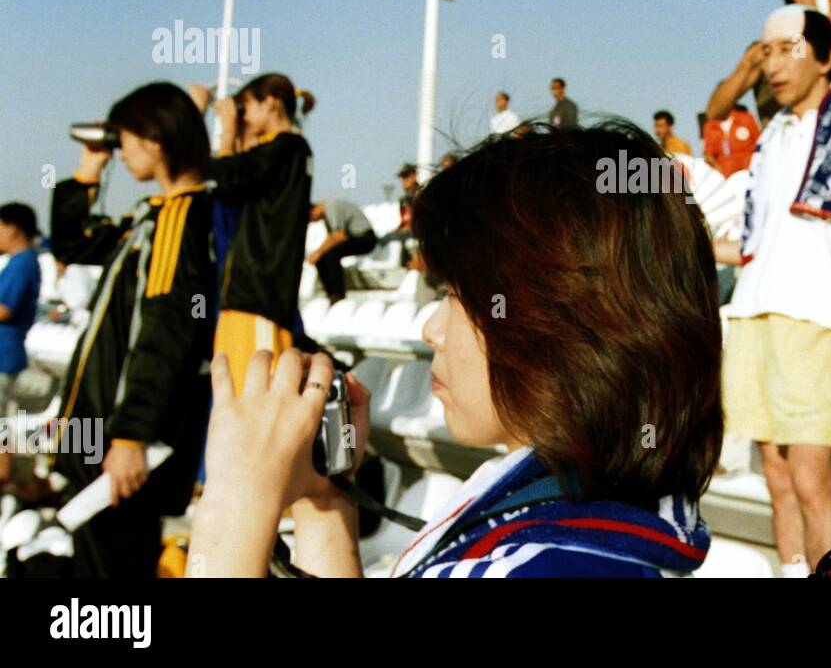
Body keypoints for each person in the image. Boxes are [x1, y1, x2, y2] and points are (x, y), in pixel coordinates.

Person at [188, 122, 723, 578]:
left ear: (552, 324)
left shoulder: (546, 568)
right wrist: (327, 502)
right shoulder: (583, 533)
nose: (431, 328)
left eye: (455, 296)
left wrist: (234, 508)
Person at [714, 5, 831, 574]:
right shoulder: (772, 137)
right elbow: (754, 243)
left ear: (824, 57)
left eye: (788, 48)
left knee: (811, 476)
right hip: (753, 313)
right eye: (766, 50)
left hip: (819, 320)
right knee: (776, 477)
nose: (773, 62)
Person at [48, 83, 215, 577]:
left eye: (124, 140)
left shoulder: (181, 218)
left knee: (112, 575)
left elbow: (165, 330)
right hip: (101, 430)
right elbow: (74, 245)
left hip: (119, 439)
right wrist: (88, 169)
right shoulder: (155, 216)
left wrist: (131, 436)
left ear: (155, 140)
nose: (118, 152)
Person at [190, 73, 314, 395]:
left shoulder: (288, 147)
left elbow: (227, 177)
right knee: (233, 393)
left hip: (258, 298)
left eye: (246, 107)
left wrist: (228, 130)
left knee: (251, 397)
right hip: (248, 298)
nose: (242, 117)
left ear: (270, 102)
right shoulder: (286, 153)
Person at [0, 202, 41, 488]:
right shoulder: (22, 262)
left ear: (13, 229)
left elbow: (5, 309)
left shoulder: (22, 262)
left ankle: (3, 476)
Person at [307, 199, 378, 304]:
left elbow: (339, 236)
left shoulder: (331, 208)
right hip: (355, 238)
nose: (312, 221)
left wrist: (318, 253)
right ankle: (330, 293)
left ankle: (338, 294)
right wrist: (318, 254)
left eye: (310, 218)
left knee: (331, 255)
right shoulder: (327, 215)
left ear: (312, 211)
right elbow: (331, 238)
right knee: (323, 257)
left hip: (365, 238)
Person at [702, 103, 759, 177]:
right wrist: (719, 170)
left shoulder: (746, 118)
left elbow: (759, 143)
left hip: (751, 171)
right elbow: (708, 154)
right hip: (726, 176)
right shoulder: (710, 125)